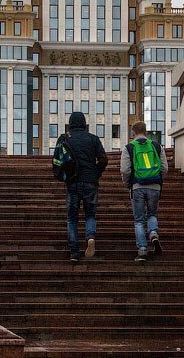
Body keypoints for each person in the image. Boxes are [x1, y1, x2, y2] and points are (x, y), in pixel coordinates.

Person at [63, 111, 107, 262]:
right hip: (90, 182)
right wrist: (95, 172)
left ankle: (74, 252)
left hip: (72, 182)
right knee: (90, 214)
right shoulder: (93, 139)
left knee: (72, 218)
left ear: (70, 124)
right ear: (84, 123)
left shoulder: (66, 139)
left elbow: (60, 161)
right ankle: (90, 236)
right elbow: (103, 159)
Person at [121, 121, 165, 261]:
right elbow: (164, 168)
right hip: (155, 186)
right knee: (152, 214)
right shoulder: (156, 146)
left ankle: (142, 250)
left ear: (133, 132)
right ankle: (153, 233)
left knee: (139, 220)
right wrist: (157, 179)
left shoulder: (129, 148)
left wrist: (128, 184)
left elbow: (125, 170)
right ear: (146, 131)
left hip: (137, 186)